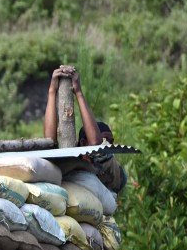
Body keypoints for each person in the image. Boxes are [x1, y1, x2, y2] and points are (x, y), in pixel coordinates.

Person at [43, 65, 127, 194]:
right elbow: (49, 143)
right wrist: (52, 91)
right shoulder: (73, 159)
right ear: (82, 143)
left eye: (110, 141)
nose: (107, 144)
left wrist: (78, 92)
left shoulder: (112, 167)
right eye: (104, 139)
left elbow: (95, 145)